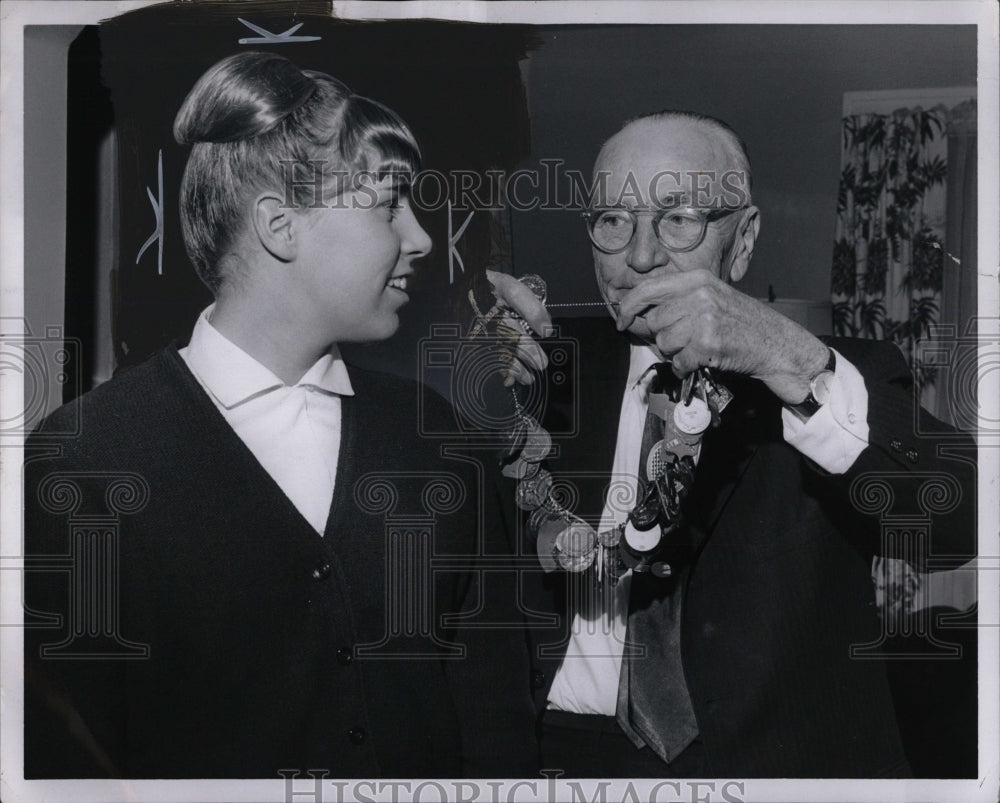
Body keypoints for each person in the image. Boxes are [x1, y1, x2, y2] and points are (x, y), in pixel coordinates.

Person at [23, 51, 536, 779]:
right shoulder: (83, 460)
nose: (421, 237)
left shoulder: (437, 438)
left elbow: (497, 733)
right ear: (281, 226)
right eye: (390, 203)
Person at [498, 111, 976, 778]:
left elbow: (958, 520)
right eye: (613, 219)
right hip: (562, 760)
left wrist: (789, 359)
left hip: (777, 768)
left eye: (679, 217)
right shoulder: (544, 378)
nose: (640, 256)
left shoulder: (836, 376)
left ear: (743, 239)